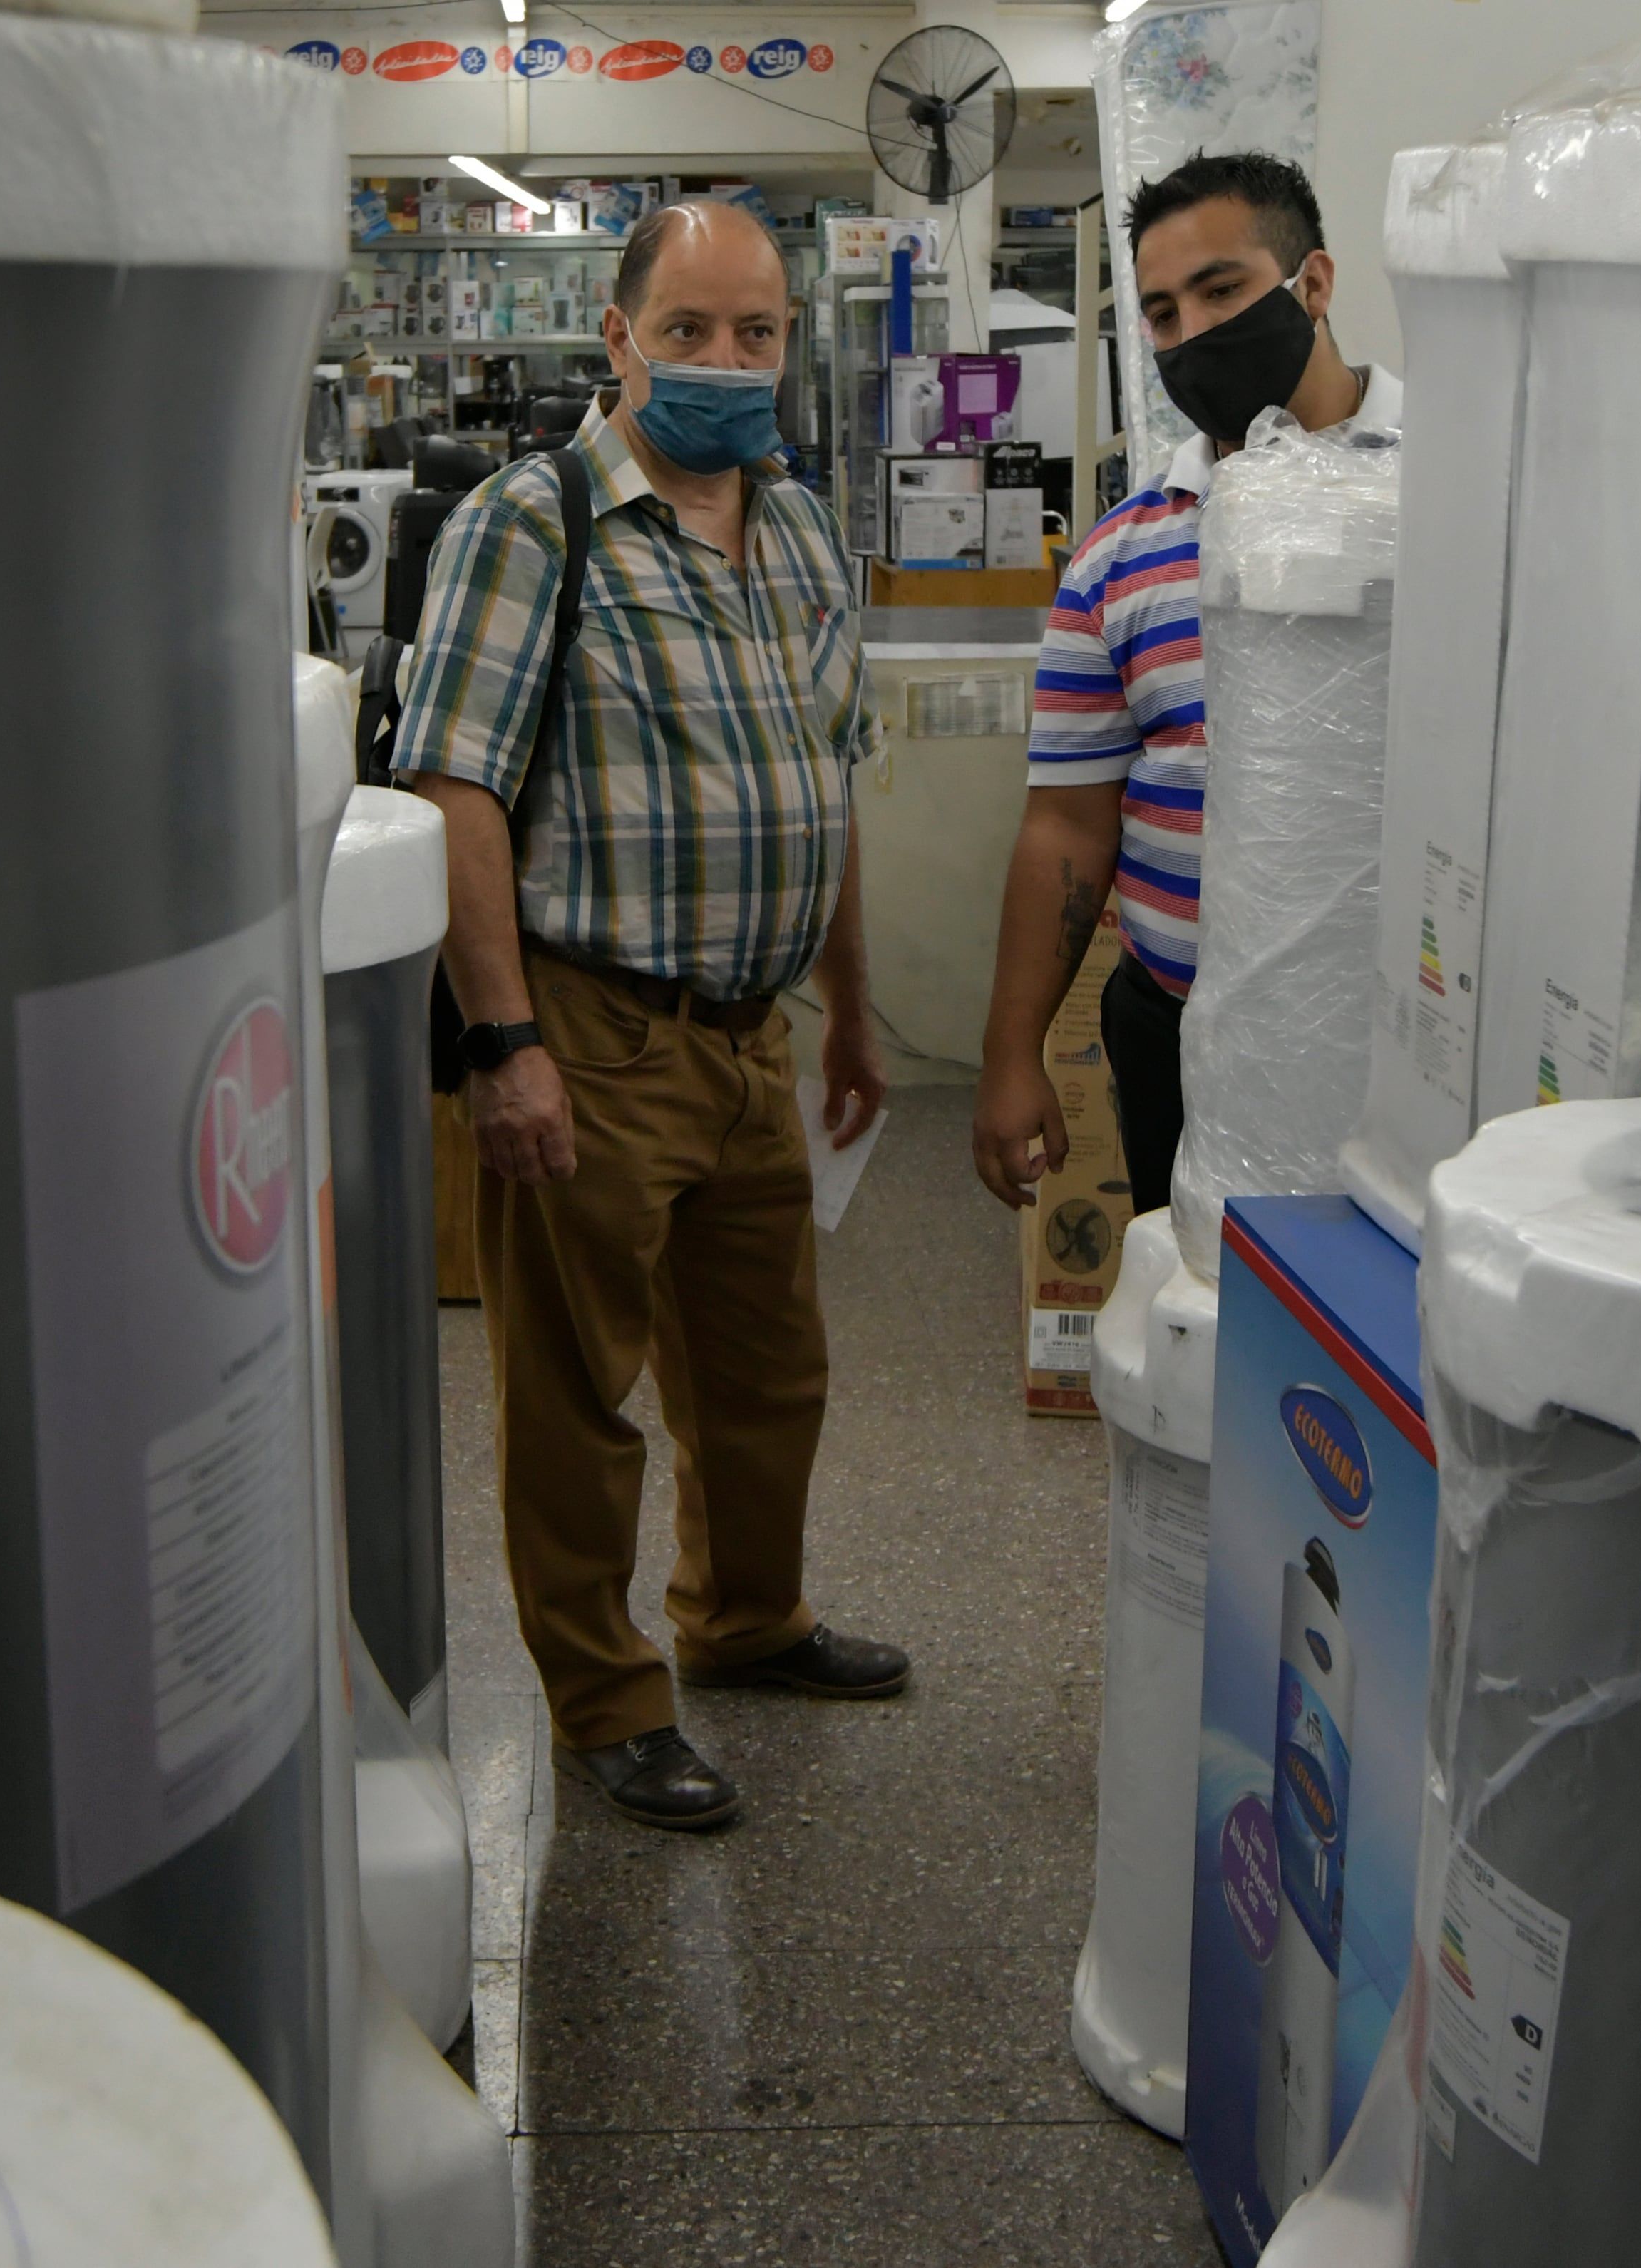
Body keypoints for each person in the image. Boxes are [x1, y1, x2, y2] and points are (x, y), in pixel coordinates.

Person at [391, 200, 904, 1832]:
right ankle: (605, 1699)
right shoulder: (533, 521)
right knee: (575, 1396)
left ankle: (745, 1620)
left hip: (754, 1029)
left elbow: (817, 784)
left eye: (755, 333)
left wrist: (852, 1014)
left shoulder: (804, 528)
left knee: (767, 1375)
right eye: (688, 329)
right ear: (618, 336)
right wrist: (501, 1040)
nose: (724, 362)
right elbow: (455, 788)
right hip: (592, 1029)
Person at [969, 153, 1393, 1216]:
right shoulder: (1120, 557)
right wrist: (1013, 1052)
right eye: (1160, 312)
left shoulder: (1452, 497)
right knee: (1197, 1321)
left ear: (1315, 282)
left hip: (1396, 1041)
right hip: (1176, 1023)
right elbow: (1068, 824)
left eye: (1223, 289)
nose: (1192, 331)